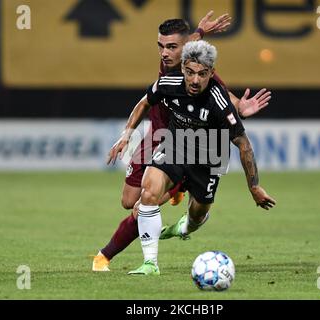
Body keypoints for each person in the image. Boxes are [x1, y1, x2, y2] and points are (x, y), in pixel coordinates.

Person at [93, 14, 272, 272]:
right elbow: (147, 98)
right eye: (161, 47)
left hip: (204, 144)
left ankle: (107, 256)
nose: (165, 53)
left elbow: (224, 98)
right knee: (130, 200)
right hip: (162, 133)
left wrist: (239, 108)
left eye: (171, 47)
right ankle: (172, 196)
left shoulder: (202, 75)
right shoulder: (171, 71)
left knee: (147, 205)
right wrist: (127, 134)